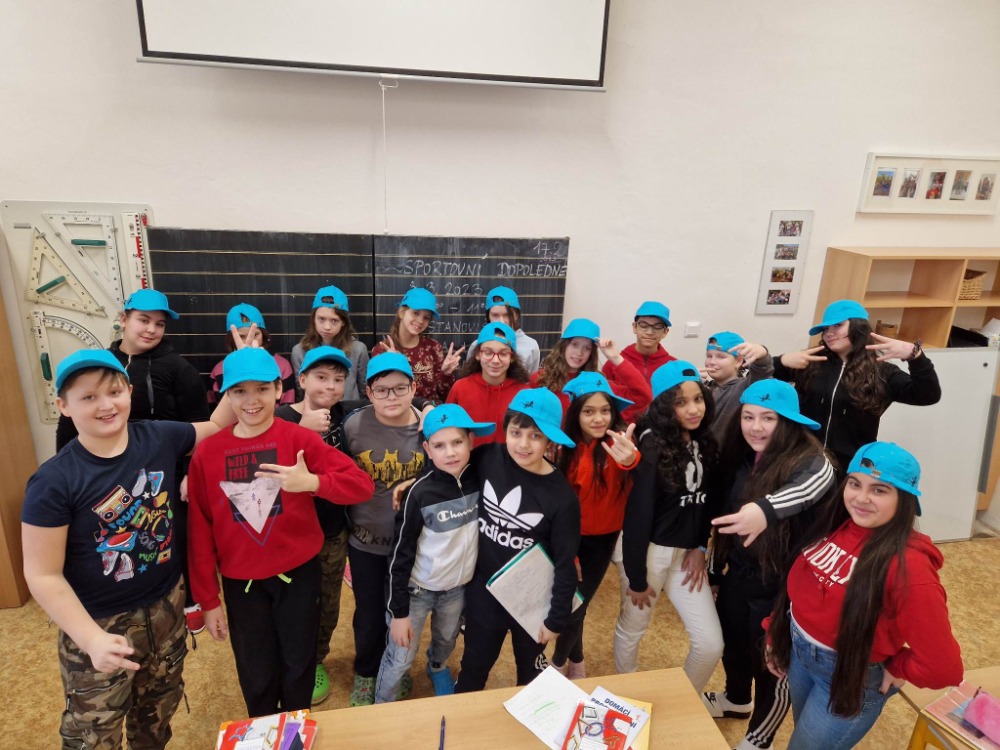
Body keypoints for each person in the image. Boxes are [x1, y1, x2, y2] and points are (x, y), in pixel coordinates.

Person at [21, 349, 234, 749]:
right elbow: (42, 573)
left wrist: (244, 363)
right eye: (89, 397)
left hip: (165, 611)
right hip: (99, 626)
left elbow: (219, 424)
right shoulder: (53, 482)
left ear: (130, 392)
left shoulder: (158, 436)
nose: (106, 405)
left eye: (114, 392)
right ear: (64, 405)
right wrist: (90, 639)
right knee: (94, 734)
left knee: (156, 717)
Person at [186, 347, 375, 716]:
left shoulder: (299, 439)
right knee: (255, 671)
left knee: (298, 663)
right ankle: (263, 728)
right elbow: (199, 532)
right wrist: (208, 600)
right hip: (242, 584)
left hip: (299, 576)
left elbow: (361, 486)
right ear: (226, 396)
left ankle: (294, 730)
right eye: (239, 391)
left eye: (261, 389)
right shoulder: (207, 454)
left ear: (278, 390)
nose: (251, 400)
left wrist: (313, 483)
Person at [765, 442, 963, 749]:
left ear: (904, 499)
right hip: (800, 656)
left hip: (848, 678)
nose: (861, 498)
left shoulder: (910, 568)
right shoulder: (837, 524)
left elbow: (943, 667)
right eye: (855, 484)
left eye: (879, 490)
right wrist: (775, 634)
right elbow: (801, 590)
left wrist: (898, 667)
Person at [54, 288, 211, 634]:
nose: (151, 329)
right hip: (106, 470)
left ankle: (189, 598)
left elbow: (201, 425)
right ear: (124, 320)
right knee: (112, 536)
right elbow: (70, 428)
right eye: (144, 320)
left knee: (172, 533)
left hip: (165, 470)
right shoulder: (97, 365)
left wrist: (191, 473)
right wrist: (64, 468)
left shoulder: (179, 369)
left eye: (159, 323)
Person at [703, 380, 837, 750]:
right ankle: (736, 699)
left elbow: (809, 487)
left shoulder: (812, 461)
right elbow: (724, 523)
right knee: (732, 644)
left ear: (788, 422)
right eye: (748, 417)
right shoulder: (741, 456)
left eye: (768, 418)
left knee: (773, 665)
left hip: (784, 586)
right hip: (740, 574)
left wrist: (763, 510)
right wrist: (714, 572)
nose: (756, 426)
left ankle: (759, 739)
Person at [455, 388, 581, 691]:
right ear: (506, 430)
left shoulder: (562, 498)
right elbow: (450, 476)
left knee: (530, 675)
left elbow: (565, 564)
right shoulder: (488, 457)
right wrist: (413, 484)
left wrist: (556, 619)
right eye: (516, 433)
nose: (523, 444)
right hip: (485, 591)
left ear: (550, 441)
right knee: (474, 665)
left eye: (535, 436)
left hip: (532, 600)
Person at [614, 360, 724, 692]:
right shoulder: (651, 443)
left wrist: (701, 546)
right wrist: (636, 577)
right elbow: (637, 515)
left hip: (686, 555)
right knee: (633, 628)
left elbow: (706, 502)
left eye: (698, 398)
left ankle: (686, 700)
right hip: (649, 554)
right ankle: (627, 695)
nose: (693, 409)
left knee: (711, 644)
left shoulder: (704, 439)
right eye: (681, 402)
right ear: (664, 405)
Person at [375, 404, 494, 703]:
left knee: (446, 640)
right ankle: (381, 705)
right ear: (427, 449)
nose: (450, 452)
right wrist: (398, 614)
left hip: (456, 589)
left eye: (457, 442)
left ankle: (437, 666)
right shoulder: (419, 494)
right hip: (416, 592)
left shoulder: (481, 481)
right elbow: (399, 557)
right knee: (400, 656)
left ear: (470, 441)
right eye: (439, 446)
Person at [342, 351, 428, 706]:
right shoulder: (353, 426)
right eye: (382, 390)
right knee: (368, 613)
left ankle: (396, 668)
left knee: (405, 613)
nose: (391, 397)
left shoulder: (427, 425)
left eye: (400, 388)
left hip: (411, 547)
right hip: (365, 543)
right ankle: (366, 671)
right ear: (369, 392)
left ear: (414, 388)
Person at [274, 345, 357, 706]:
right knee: (292, 603)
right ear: (303, 379)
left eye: (338, 379)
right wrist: (300, 430)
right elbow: (260, 459)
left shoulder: (346, 414)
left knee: (327, 601)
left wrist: (426, 406)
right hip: (289, 533)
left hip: (332, 530)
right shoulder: (280, 417)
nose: (330, 386)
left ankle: (317, 659)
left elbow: (394, 403)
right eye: (321, 377)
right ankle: (292, 659)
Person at [772, 299, 941, 473]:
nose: (829, 333)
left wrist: (915, 356)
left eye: (837, 325)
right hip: (801, 461)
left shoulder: (882, 372)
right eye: (825, 329)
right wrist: (781, 361)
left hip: (850, 469)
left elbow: (928, 394)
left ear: (858, 326)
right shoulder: (811, 362)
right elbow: (759, 378)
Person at [551, 372, 640, 679]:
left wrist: (630, 460)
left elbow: (633, 463)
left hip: (602, 540)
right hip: (568, 537)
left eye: (605, 410)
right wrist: (566, 549)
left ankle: (557, 666)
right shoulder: (564, 448)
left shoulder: (620, 443)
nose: (598, 418)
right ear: (576, 414)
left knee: (575, 605)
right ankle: (576, 659)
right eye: (589, 411)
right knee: (573, 602)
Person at [532, 318, 651, 422]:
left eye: (587, 348)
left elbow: (643, 397)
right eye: (575, 344)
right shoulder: (540, 379)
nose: (579, 353)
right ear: (564, 345)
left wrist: (616, 358)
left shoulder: (597, 384)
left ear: (592, 353)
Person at [371, 287, 464, 403]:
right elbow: (378, 395)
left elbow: (444, 394)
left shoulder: (433, 348)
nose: (420, 321)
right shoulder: (382, 351)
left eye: (426, 317)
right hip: (399, 412)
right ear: (401, 313)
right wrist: (393, 365)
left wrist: (446, 374)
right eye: (416, 313)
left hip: (430, 412)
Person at [447, 321, 530, 447]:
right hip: (469, 458)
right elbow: (447, 429)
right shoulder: (460, 388)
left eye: (503, 354)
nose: (495, 360)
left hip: (509, 459)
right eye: (488, 353)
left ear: (512, 357)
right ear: (478, 354)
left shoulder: (524, 394)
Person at [291, 285, 370, 401]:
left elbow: (364, 390)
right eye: (321, 319)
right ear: (314, 319)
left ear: (343, 322)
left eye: (334, 320)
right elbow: (301, 392)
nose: (327, 327)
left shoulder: (358, 349)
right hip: (315, 409)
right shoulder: (299, 351)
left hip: (349, 409)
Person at [209, 303, 295, 405]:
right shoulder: (219, 370)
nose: (248, 341)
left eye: (255, 334)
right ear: (231, 339)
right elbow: (215, 409)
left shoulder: (282, 365)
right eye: (241, 336)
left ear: (263, 335)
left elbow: (288, 407)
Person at [702, 330, 773, 442]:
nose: (712, 362)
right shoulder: (704, 387)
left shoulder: (745, 387)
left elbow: (762, 371)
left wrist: (762, 352)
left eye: (721, 357)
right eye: (709, 356)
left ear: (738, 361)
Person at [480, 286, 541, 373]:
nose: (501, 321)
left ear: (516, 315)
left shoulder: (530, 346)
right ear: (488, 316)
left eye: (507, 315)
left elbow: (531, 378)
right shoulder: (479, 345)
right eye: (495, 315)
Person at [619, 301, 677, 383]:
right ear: (635, 327)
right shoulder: (615, 363)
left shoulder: (675, 368)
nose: (649, 332)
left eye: (657, 327)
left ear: (665, 332)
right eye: (643, 325)